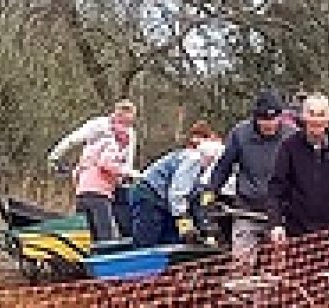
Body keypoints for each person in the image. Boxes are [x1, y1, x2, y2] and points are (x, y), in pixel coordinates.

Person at [267, 92, 329, 242]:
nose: (316, 120)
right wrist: (276, 224)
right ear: (304, 117)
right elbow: (276, 188)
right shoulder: (289, 147)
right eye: (312, 114)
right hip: (297, 232)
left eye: (321, 115)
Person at [208, 89, 295, 258]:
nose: (269, 124)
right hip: (246, 211)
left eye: (274, 118)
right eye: (264, 119)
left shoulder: (292, 136)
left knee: (280, 267)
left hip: (280, 214)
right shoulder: (239, 134)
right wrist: (211, 191)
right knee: (241, 264)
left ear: (281, 116)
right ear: (255, 117)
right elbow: (224, 167)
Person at [47, 99, 137, 237]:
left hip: (84, 190)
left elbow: (127, 159)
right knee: (105, 234)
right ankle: (121, 246)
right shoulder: (104, 132)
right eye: (125, 122)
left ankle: (123, 240)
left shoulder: (126, 134)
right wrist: (55, 156)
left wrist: (79, 183)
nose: (128, 127)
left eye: (130, 123)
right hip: (99, 191)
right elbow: (74, 140)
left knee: (88, 233)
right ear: (117, 116)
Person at [131, 139, 225, 247]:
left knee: (171, 240)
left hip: (163, 200)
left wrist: (206, 229)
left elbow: (195, 200)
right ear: (211, 158)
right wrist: (184, 221)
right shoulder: (194, 159)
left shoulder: (202, 171)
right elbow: (177, 194)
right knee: (147, 239)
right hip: (148, 195)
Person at [73, 131, 139, 242]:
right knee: (106, 234)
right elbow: (106, 164)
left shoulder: (90, 152)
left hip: (81, 194)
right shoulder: (112, 146)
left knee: (88, 235)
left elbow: (75, 173)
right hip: (99, 195)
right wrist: (129, 172)